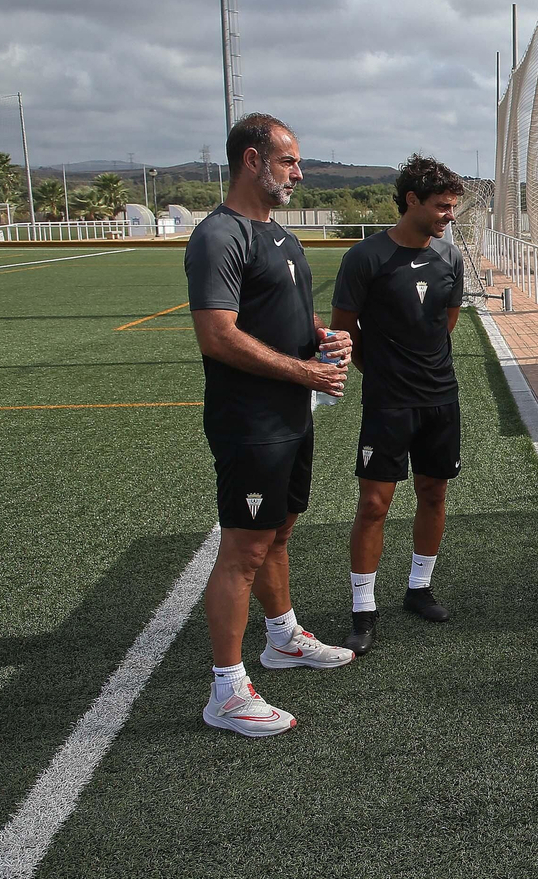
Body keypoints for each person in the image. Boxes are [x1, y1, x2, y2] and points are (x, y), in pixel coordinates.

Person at [186, 113, 355, 738]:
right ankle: (225, 692)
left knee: (279, 533)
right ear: (252, 161)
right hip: (249, 420)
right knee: (244, 549)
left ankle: (282, 638)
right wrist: (304, 374)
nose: (299, 172)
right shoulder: (218, 237)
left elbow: (282, 318)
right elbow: (217, 336)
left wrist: (320, 338)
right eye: (288, 161)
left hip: (290, 412)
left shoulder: (281, 239)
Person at [330, 155, 467, 656]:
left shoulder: (448, 259)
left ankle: (418, 588)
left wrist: (423, 368)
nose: (449, 216)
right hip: (388, 403)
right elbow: (345, 329)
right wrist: (381, 370)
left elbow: (444, 323)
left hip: (441, 399)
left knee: (434, 494)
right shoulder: (364, 258)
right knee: (373, 504)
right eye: (441, 207)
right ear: (411, 201)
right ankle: (363, 608)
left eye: (453, 207)